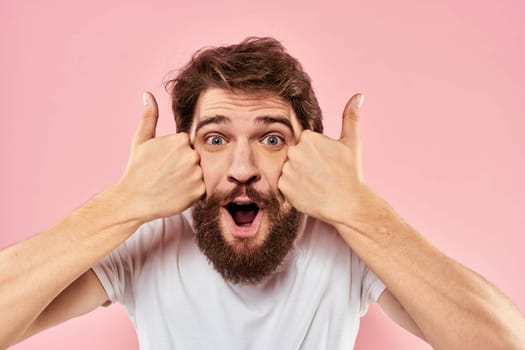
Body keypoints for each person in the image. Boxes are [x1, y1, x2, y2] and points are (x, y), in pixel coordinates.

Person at [0, 37, 524, 350]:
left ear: (307, 151)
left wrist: (360, 209)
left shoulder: (349, 240)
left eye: (271, 138)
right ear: (186, 152)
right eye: (216, 138)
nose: (244, 168)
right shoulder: (147, 238)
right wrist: (122, 204)